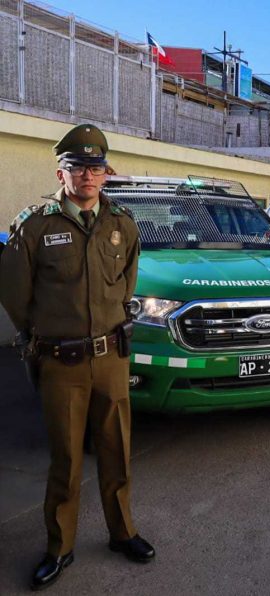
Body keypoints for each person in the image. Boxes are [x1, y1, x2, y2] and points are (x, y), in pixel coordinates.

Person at [0, 124, 154, 590]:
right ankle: (60, 546)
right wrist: (44, 335)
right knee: (66, 459)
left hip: (111, 357)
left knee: (117, 452)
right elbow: (14, 295)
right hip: (60, 363)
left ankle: (122, 532)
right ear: (60, 173)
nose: (88, 176)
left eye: (96, 167)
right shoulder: (35, 225)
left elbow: (126, 283)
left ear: (106, 174)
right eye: (78, 167)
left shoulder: (121, 224)